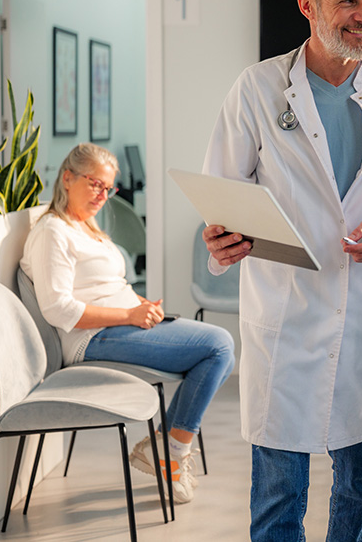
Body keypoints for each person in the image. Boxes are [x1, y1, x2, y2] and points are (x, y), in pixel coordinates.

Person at [200, 0, 362, 541]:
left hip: (361, 308)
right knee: (280, 493)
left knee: (358, 480)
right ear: (308, 5)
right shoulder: (257, 89)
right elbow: (223, 195)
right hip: (288, 312)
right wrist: (221, 239)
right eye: (349, 0)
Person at [20, 143, 235, 505]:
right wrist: (129, 315)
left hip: (122, 325)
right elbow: (58, 309)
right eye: (95, 184)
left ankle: (167, 446)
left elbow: (108, 287)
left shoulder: (87, 227)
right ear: (67, 178)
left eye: (108, 188)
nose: (102, 195)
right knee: (219, 347)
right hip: (92, 338)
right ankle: (171, 450)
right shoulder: (53, 232)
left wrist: (140, 304)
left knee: (219, 348)